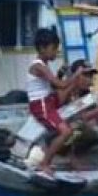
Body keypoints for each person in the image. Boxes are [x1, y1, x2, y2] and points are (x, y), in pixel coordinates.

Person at [26, 27, 75, 174]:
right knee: (66, 132)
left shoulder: (43, 65)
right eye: (54, 49)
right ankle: (44, 163)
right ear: (42, 48)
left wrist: (62, 74)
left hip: (48, 100)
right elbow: (60, 84)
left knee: (70, 128)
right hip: (41, 105)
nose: (56, 52)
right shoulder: (38, 66)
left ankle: (51, 156)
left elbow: (53, 83)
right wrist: (76, 75)